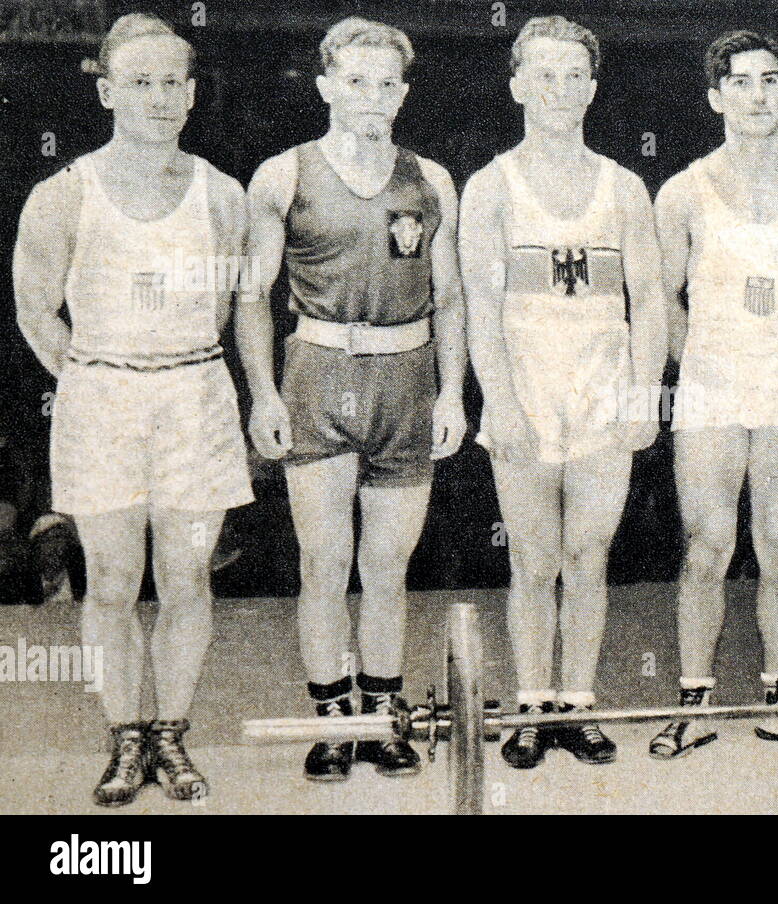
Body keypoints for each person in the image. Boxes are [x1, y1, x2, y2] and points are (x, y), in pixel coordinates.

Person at [12, 12, 254, 804]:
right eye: (141, 83)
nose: (159, 98)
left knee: (186, 579)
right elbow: (35, 312)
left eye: (172, 83)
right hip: (103, 404)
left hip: (194, 397)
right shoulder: (63, 194)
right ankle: (123, 741)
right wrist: (98, 375)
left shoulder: (222, 194)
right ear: (110, 91)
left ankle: (172, 738)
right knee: (111, 581)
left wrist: (170, 370)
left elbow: (225, 307)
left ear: (191, 93)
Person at [242, 17, 467, 780]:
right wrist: (264, 394)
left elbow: (454, 297)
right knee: (323, 560)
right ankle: (332, 719)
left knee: (387, 564)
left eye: (386, 83)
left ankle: (382, 716)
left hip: (406, 380)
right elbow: (249, 298)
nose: (372, 95)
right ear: (326, 86)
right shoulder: (282, 175)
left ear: (402, 93)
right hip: (318, 375)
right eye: (356, 80)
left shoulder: (431, 179)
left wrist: (453, 395)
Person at [461, 15, 666, 769]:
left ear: (592, 88)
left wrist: (644, 392)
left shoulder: (624, 186)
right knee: (534, 559)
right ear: (517, 85)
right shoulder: (491, 186)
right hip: (527, 391)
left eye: (573, 75)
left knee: (588, 553)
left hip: (602, 394)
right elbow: (480, 307)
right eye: (542, 74)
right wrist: (501, 401)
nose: (558, 89)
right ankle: (529, 704)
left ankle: (576, 706)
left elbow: (648, 299)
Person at [649, 30, 778, 759]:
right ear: (716, 96)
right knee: (707, 546)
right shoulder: (681, 191)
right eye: (740, 82)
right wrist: (701, 364)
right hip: (709, 394)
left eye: (770, 80)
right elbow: (662, 298)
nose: (758, 94)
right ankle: (693, 701)